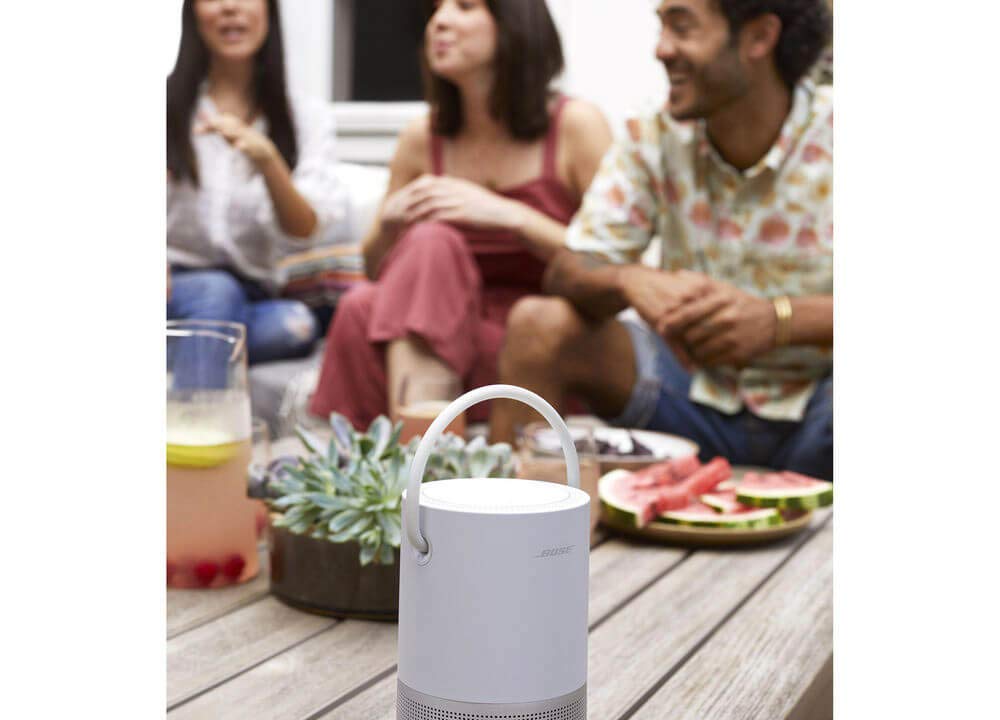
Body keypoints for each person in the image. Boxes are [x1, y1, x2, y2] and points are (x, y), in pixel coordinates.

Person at [489, 0, 834, 482]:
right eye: (661, 26)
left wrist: (778, 320)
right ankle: (505, 537)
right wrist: (630, 279)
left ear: (758, 38)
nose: (661, 50)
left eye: (682, 27)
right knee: (538, 326)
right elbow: (567, 269)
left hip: (822, 418)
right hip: (690, 397)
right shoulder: (651, 132)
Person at [308, 0, 612, 429]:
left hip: (526, 340)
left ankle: (414, 457)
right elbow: (378, 270)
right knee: (377, 291)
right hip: (432, 326)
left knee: (407, 272)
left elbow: (615, 265)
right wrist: (391, 226)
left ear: (514, 23)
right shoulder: (421, 137)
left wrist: (512, 216)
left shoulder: (577, 127)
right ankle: (426, 452)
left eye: (465, 6)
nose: (440, 22)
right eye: (435, 10)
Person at [167, 0, 347, 366]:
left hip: (254, 296)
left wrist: (267, 159)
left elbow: (305, 230)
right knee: (215, 291)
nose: (231, 7)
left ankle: (189, 354)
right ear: (193, 12)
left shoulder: (304, 118)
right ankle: (202, 422)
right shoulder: (164, 106)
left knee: (295, 325)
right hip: (173, 285)